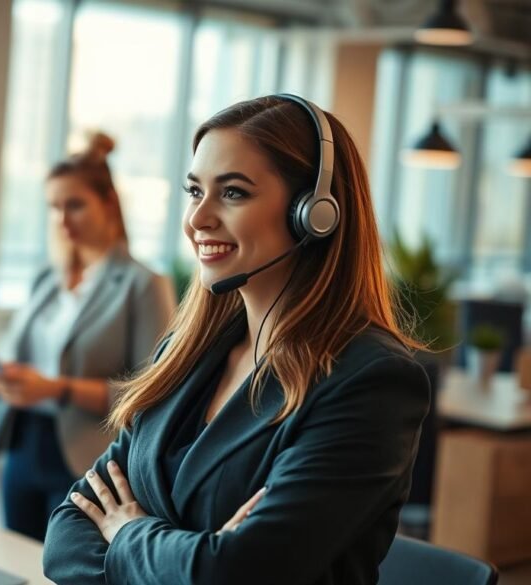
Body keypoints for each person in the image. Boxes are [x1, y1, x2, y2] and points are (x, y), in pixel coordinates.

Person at [42, 95, 431, 584]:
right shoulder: (187, 354)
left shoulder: (371, 380)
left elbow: (235, 574)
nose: (198, 219)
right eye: (194, 192)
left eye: (233, 193)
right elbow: (65, 537)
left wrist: (125, 533)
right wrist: (190, 556)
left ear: (313, 214)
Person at [0, 133, 176, 541]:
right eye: (53, 207)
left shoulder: (142, 285)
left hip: (89, 459)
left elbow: (151, 394)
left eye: (75, 205)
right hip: (24, 445)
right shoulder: (46, 280)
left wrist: (55, 389)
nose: (62, 220)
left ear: (108, 204)